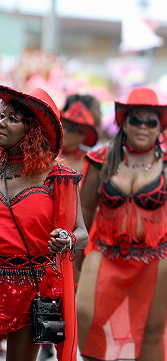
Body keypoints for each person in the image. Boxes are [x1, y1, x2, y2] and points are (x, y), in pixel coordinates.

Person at [76, 87, 167, 361]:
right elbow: (85, 208)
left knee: (151, 331)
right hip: (105, 252)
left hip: (158, 257)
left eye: (150, 122)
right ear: (124, 123)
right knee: (85, 316)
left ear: (160, 127)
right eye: (136, 120)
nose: (143, 127)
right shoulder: (99, 161)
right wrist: (76, 256)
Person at [0, 86, 88, 361]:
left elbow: (82, 233)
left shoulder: (58, 176)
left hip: (32, 286)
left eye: (13, 119)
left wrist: (67, 239)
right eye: (2, 116)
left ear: (33, 130)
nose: (2, 123)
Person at [60, 101, 98, 172]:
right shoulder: (45, 153)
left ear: (83, 136)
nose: (64, 131)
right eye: (63, 125)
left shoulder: (88, 162)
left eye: (71, 130)